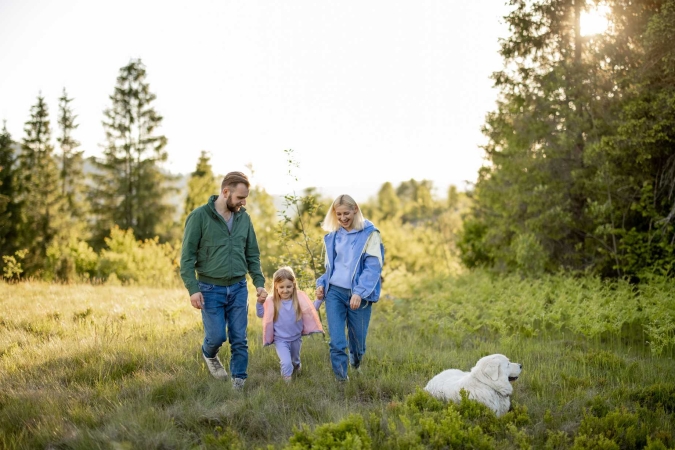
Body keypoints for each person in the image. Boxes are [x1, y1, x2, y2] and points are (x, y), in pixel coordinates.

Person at [180, 171, 268, 390]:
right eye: (240, 197)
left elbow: (252, 255)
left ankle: (238, 382)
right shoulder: (199, 217)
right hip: (210, 289)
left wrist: (259, 283)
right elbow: (187, 258)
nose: (243, 202)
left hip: (238, 287)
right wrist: (193, 289)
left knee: (239, 338)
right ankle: (209, 354)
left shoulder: (244, 219)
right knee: (217, 336)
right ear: (225, 192)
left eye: (245, 197)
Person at [315, 194, 384, 381]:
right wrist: (321, 284)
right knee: (337, 342)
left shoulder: (370, 234)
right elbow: (331, 268)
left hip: (358, 294)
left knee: (358, 342)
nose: (343, 218)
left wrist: (359, 293)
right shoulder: (333, 236)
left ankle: (356, 361)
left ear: (356, 210)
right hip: (335, 293)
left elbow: (373, 267)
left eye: (347, 213)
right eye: (339, 214)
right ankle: (341, 380)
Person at [256, 266, 324, 381]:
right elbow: (260, 314)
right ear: (276, 287)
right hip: (280, 339)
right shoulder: (272, 301)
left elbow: (312, 309)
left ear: (294, 285)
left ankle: (297, 367)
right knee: (286, 362)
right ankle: (287, 383)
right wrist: (259, 302)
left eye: (289, 286)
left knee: (294, 361)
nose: (285, 290)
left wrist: (319, 299)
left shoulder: (298, 299)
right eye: (281, 287)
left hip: (296, 338)